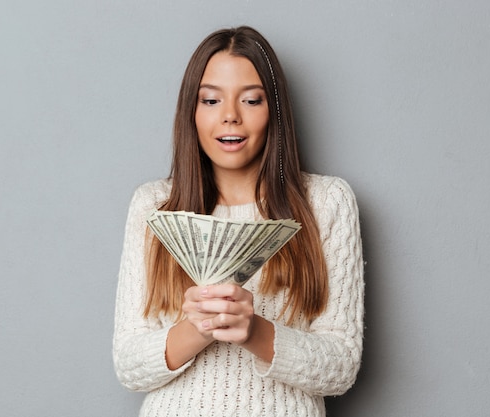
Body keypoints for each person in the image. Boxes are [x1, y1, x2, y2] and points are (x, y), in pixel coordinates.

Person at [113, 26, 364, 417]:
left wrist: (254, 331)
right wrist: (196, 329)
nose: (230, 116)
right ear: (191, 113)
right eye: (211, 100)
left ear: (274, 111)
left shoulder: (326, 203)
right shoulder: (154, 204)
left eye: (250, 100)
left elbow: (341, 366)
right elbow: (128, 365)